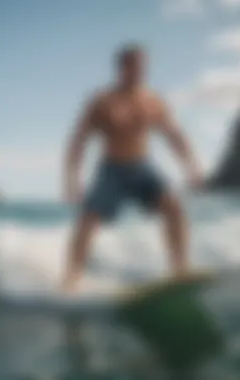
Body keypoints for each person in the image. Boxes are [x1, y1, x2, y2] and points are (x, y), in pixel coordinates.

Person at [62, 44, 204, 292]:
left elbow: (174, 135)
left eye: (143, 67)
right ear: (121, 68)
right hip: (112, 169)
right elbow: (79, 140)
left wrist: (191, 167)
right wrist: (72, 181)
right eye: (134, 66)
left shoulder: (152, 101)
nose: (140, 71)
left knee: (173, 207)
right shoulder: (102, 101)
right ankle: (72, 277)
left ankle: (180, 269)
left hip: (142, 167)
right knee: (88, 219)